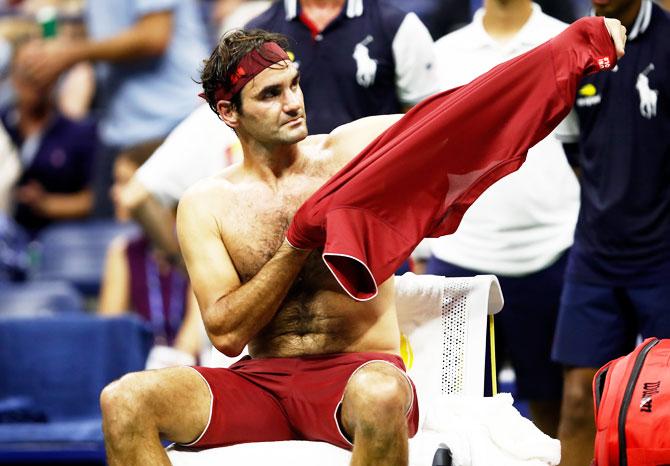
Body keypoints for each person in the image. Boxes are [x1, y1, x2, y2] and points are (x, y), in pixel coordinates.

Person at [99, 21, 627, 466]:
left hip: (354, 377)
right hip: (260, 380)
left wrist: (569, 51)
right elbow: (228, 334)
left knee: (382, 394)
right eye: (270, 94)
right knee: (124, 400)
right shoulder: (206, 202)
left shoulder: (349, 155)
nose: (293, 104)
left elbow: (468, 116)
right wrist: (297, 243)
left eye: (295, 85)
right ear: (228, 113)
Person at [429, 0, 578, 437]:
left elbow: (588, 150)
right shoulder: (442, 54)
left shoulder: (567, 42)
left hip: (552, 252)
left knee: (556, 409)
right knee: (456, 414)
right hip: (460, 257)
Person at [550, 1, 670, 465]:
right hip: (596, 256)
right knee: (579, 400)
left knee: (662, 405)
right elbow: (576, 149)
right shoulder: (575, 44)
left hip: (663, 257)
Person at [16, 0, 209, 217]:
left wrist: (70, 53)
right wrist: (56, 50)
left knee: (170, 243)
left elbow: (154, 35)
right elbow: (109, 32)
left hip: (173, 123)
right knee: (116, 241)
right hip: (121, 128)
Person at [246, 0, 439, 134]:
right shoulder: (256, 34)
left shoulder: (400, 26)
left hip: (375, 177)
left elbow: (424, 122)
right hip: (294, 182)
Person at [99, 146, 203, 368]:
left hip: (192, 368)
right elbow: (111, 331)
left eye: (125, 182)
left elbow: (194, 334)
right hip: (140, 367)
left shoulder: (196, 242)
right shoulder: (123, 251)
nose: (115, 193)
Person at [2, 39, 97, 235]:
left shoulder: (78, 133)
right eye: (26, 70)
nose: (34, 77)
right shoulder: (3, 125)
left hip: (59, 236)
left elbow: (92, 200)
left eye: (41, 69)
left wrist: (48, 204)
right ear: (13, 76)